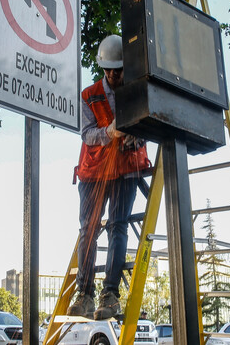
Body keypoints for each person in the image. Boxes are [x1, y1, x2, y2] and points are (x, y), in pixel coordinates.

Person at [67, 35, 150, 320]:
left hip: (126, 169)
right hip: (94, 172)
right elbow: (87, 133)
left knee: (118, 226)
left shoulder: (137, 92)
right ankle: (85, 294)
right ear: (102, 67)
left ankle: (110, 294)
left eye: (119, 70)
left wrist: (136, 139)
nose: (114, 75)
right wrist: (110, 133)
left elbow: (147, 125)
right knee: (87, 229)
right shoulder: (89, 96)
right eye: (109, 70)